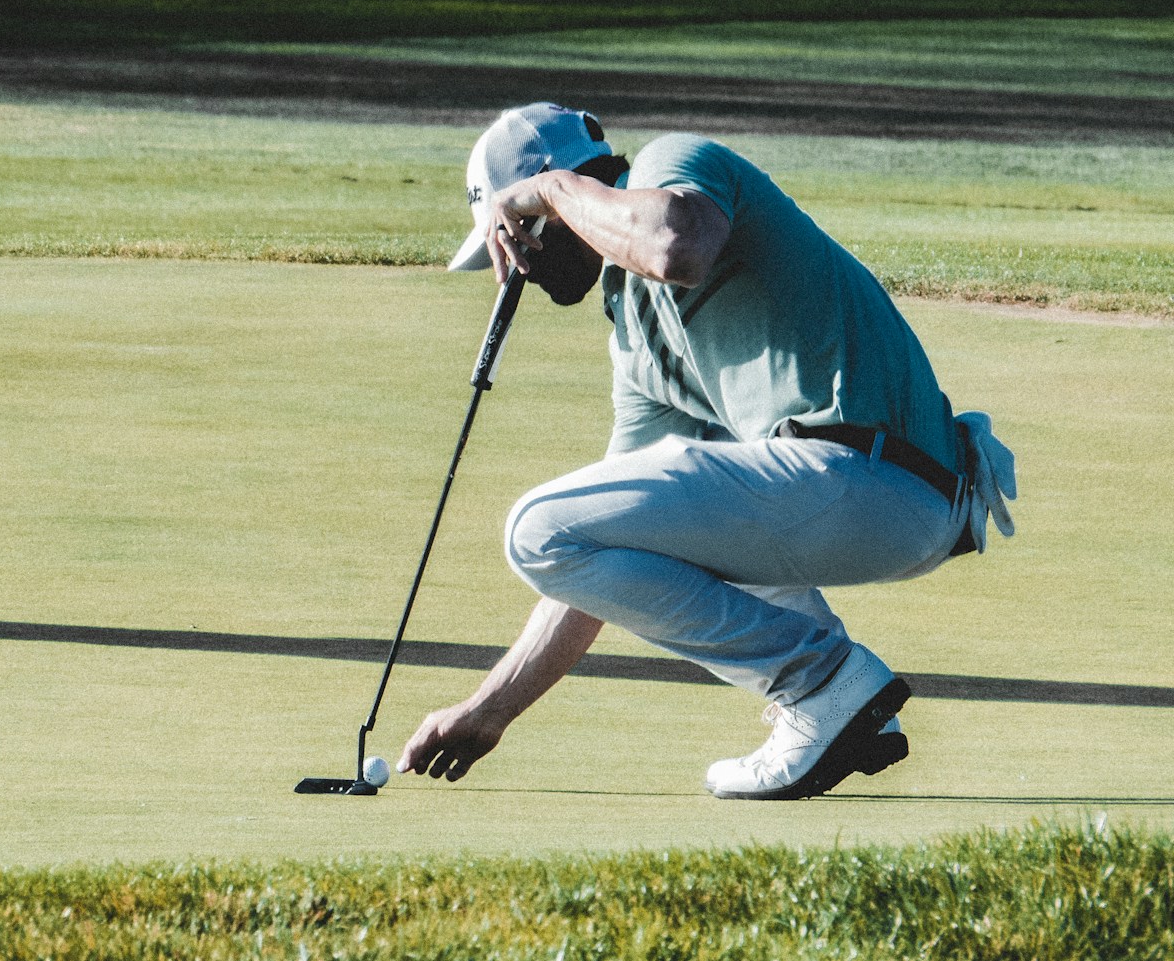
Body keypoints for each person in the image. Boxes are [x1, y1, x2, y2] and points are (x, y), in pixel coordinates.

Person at [397, 103, 1017, 799]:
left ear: (547, 196)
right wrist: (490, 709)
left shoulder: (672, 162)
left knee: (532, 527)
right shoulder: (635, 336)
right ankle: (847, 714)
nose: (516, 268)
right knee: (570, 532)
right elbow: (602, 548)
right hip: (870, 495)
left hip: (866, 473)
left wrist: (551, 193)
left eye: (512, 236)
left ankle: (821, 685)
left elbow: (676, 248)